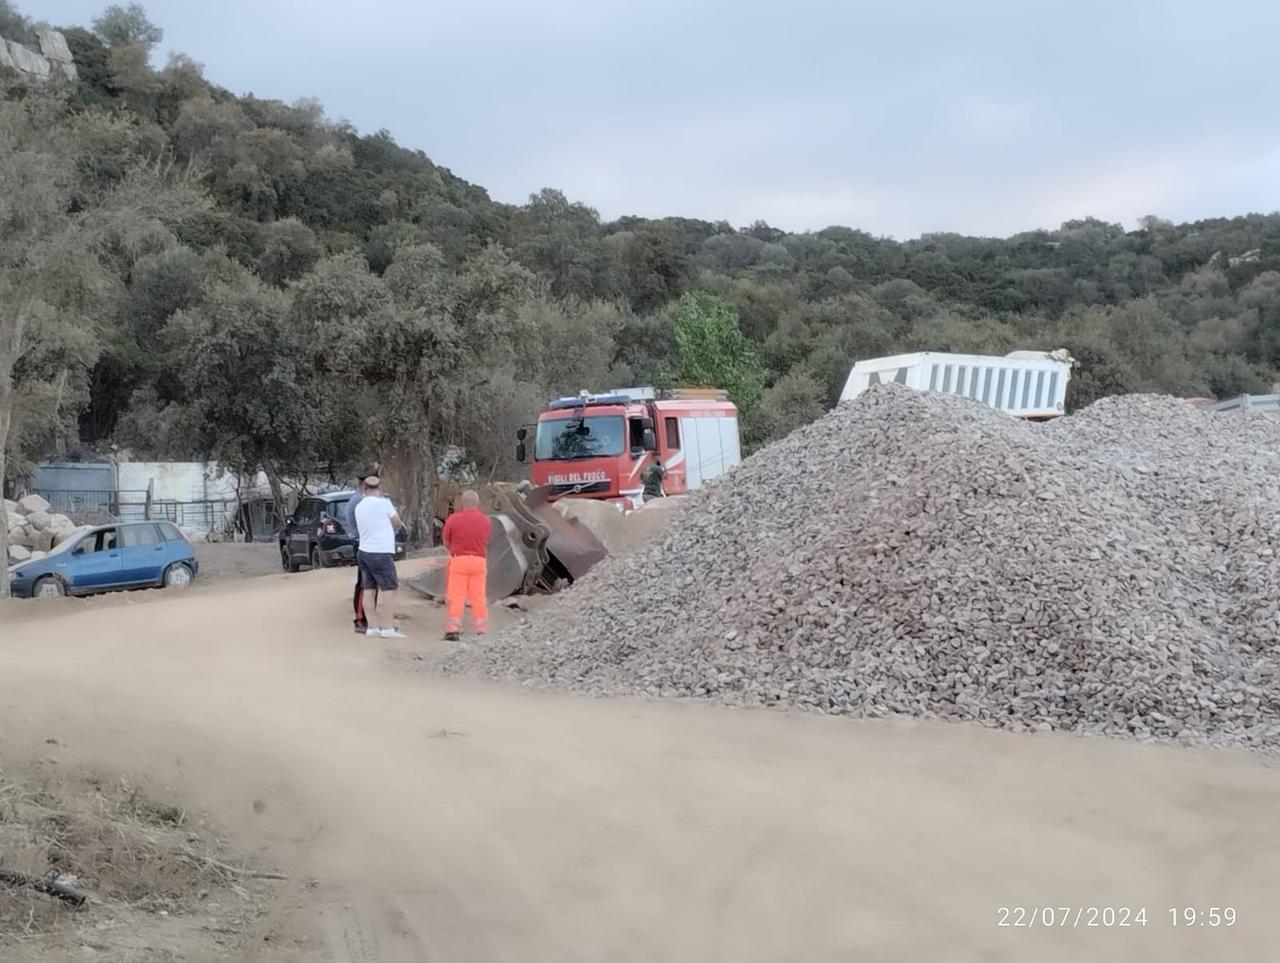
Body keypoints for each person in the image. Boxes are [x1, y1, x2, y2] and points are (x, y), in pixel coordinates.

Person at [352, 475, 405, 639]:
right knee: (389, 588)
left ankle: (372, 627)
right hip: (381, 551)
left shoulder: (359, 506)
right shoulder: (384, 504)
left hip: (364, 551)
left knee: (369, 589)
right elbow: (397, 522)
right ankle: (387, 627)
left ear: (364, 489)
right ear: (379, 489)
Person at [441, 490, 492, 641]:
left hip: (459, 560)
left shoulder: (453, 519)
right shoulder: (485, 520)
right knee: (479, 595)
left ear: (462, 503)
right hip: (479, 561)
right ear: (477, 503)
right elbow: (487, 540)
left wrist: (454, 550)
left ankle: (453, 629)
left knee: (456, 595)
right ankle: (481, 628)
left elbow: (446, 541)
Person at [345, 466, 378, 634]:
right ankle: (360, 619)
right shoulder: (359, 500)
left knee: (370, 582)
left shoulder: (361, 499)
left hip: (367, 543)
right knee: (365, 582)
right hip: (364, 544)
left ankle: (369, 617)